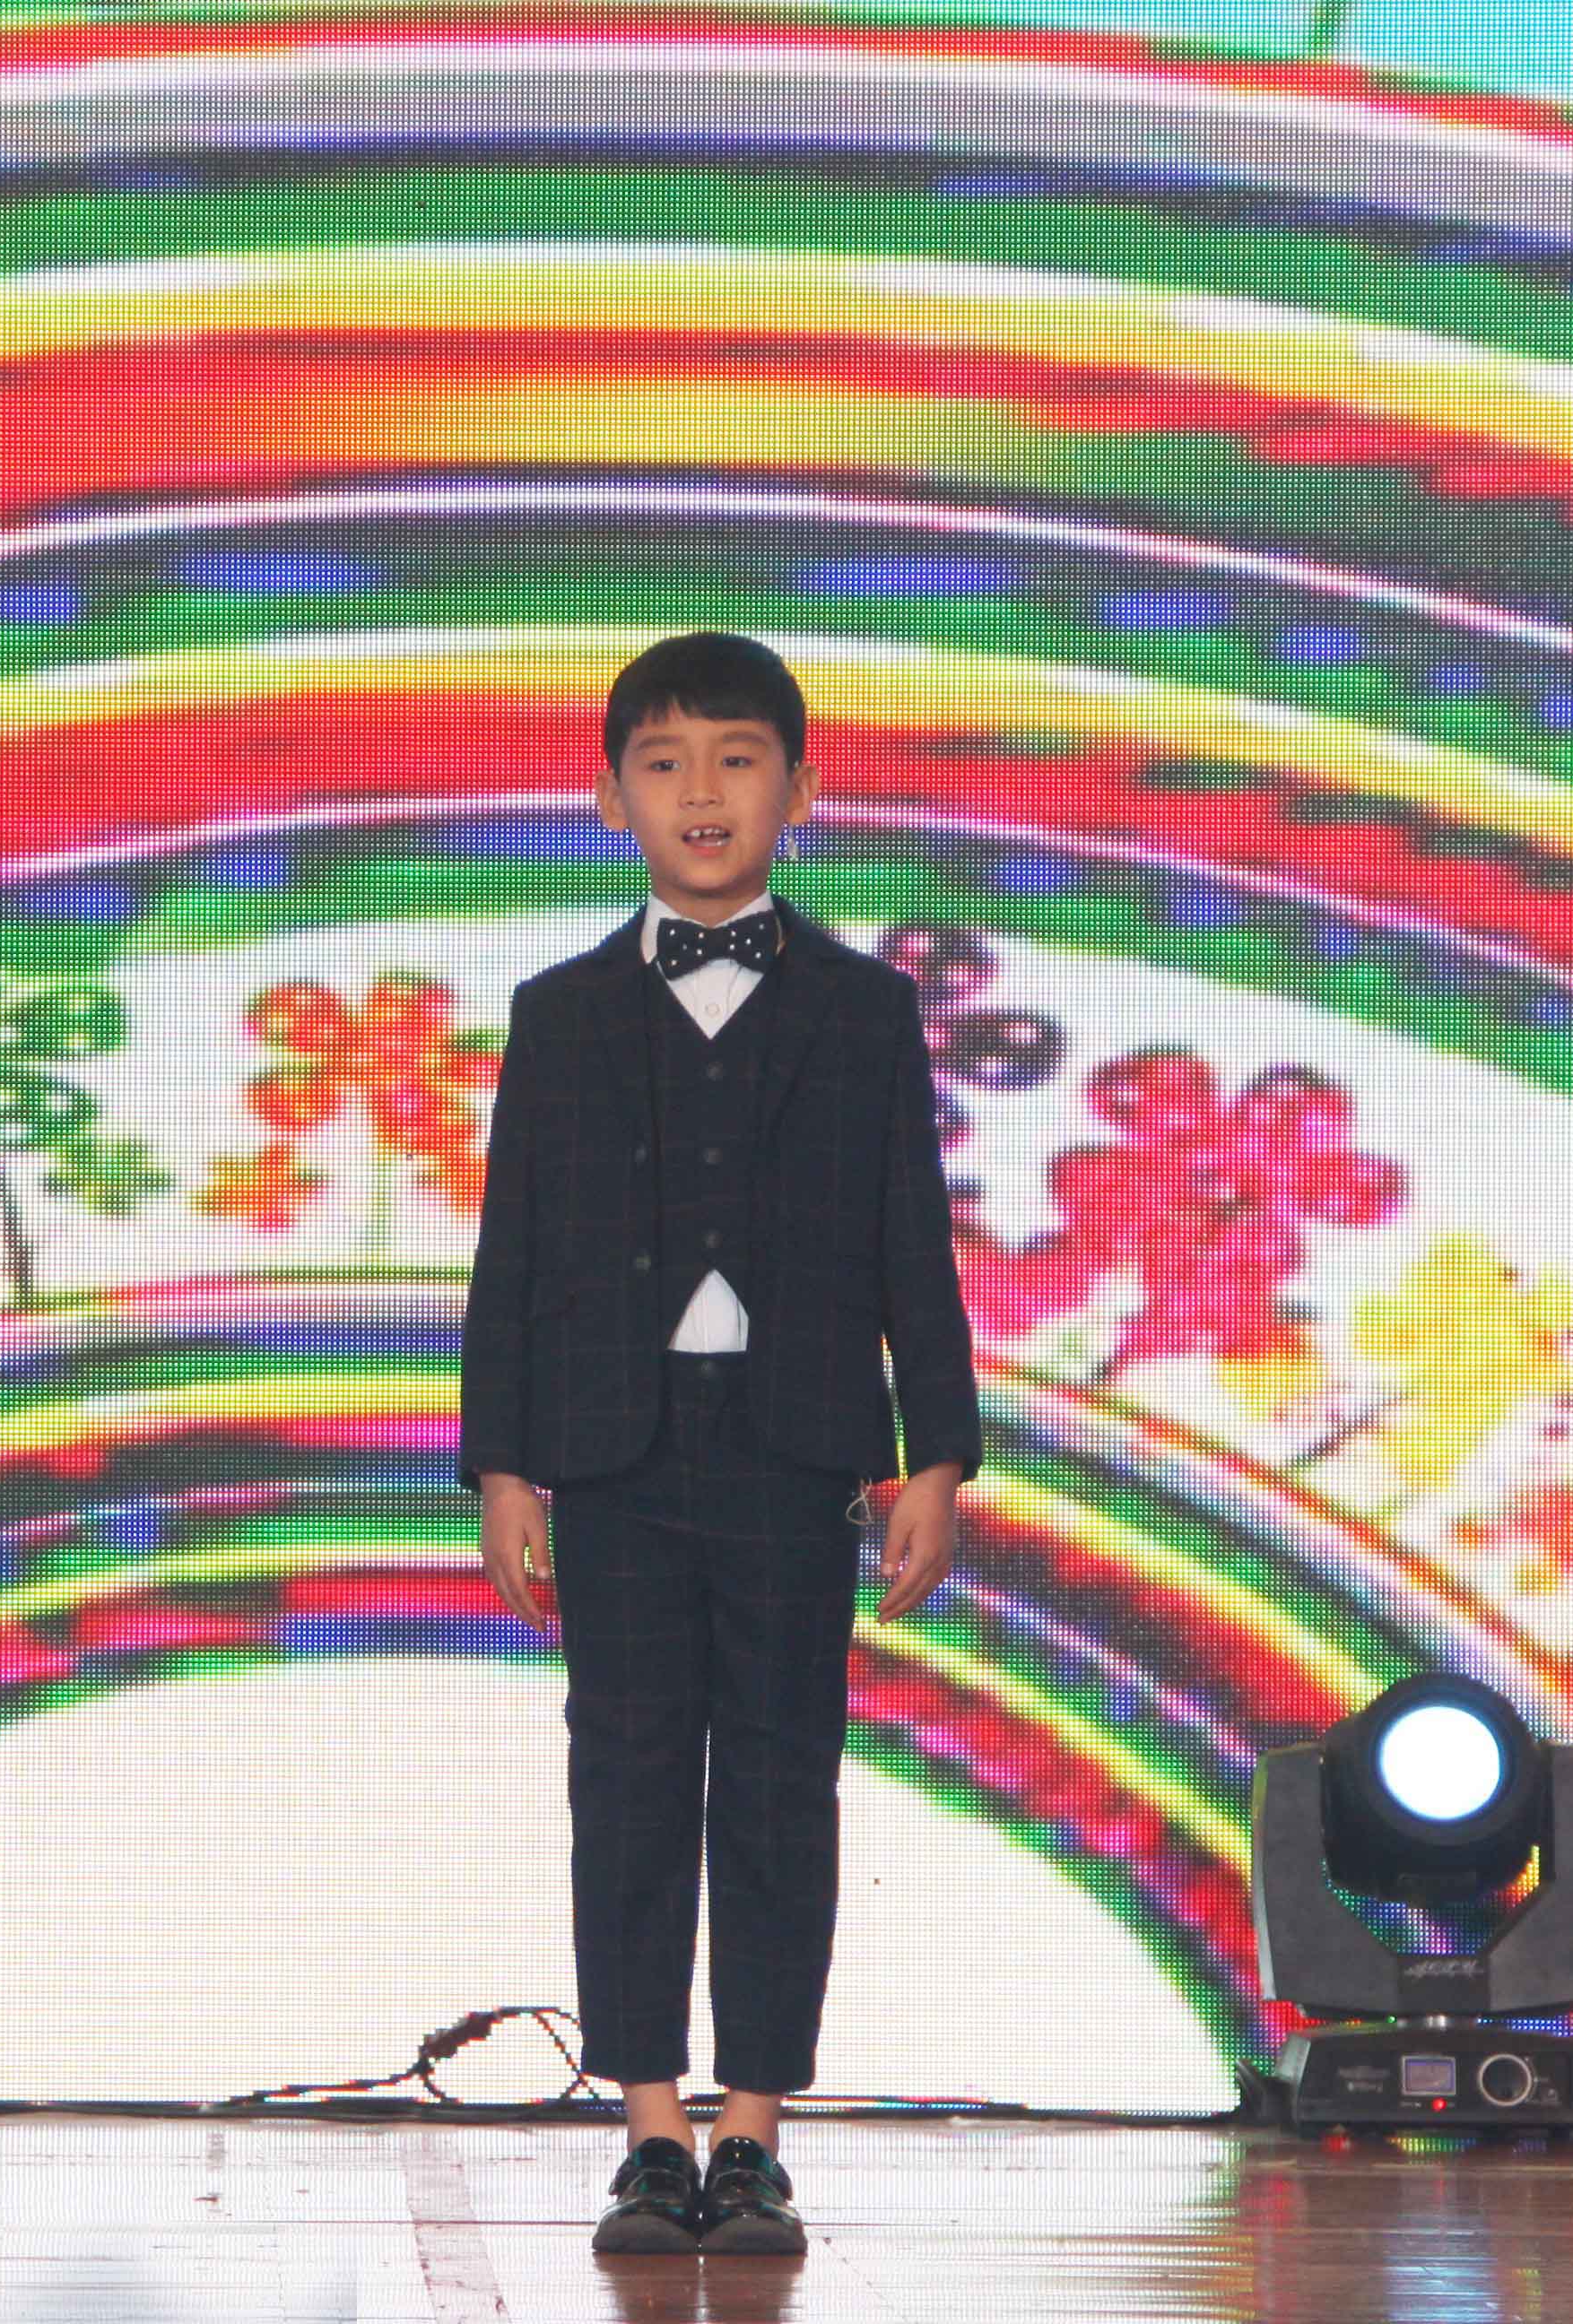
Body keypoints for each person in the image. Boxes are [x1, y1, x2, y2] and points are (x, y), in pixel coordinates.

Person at [460, 631, 979, 2258]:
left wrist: (938, 1456)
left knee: (777, 1783)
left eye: (738, 758)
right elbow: (511, 1253)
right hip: (613, 1455)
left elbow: (912, 1243)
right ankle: (648, 2127)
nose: (703, 791)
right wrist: (502, 1466)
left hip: (795, 1451)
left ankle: (750, 2130)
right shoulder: (559, 1014)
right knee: (624, 1785)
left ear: (800, 792)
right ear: (609, 797)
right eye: (666, 761)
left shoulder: (864, 1010)